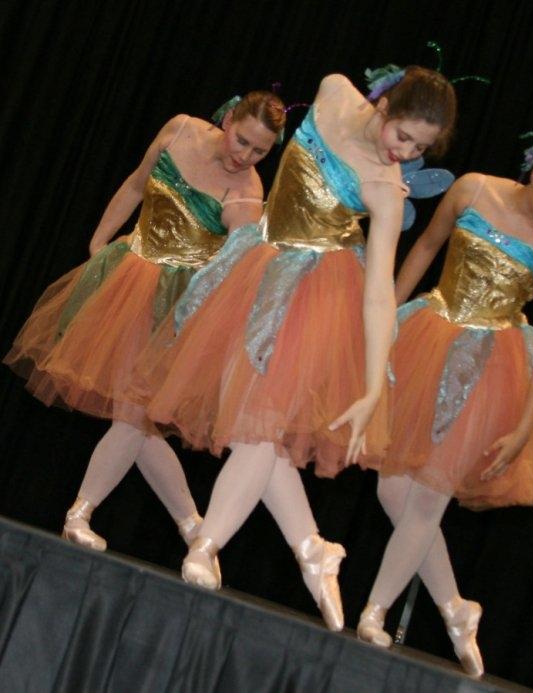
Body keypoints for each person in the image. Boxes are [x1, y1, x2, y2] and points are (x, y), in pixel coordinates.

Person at [130, 67, 456, 631]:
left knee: (261, 424)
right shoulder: (332, 92)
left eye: (420, 148)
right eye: (403, 135)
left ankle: (206, 544)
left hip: (319, 289)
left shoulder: (384, 186)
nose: (405, 151)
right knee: (257, 423)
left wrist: (374, 382)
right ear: (387, 106)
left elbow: (381, 291)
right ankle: (312, 547)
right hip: (262, 261)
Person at [358, 131, 533, 677]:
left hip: (487, 372)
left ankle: (374, 611)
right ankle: (456, 608)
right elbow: (426, 248)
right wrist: (385, 318)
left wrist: (525, 428)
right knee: (391, 487)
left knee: (429, 498)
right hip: (427, 338)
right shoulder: (474, 191)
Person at [4, 91, 286, 551]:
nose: (245, 155)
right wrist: (98, 245)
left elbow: (239, 261)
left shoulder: (247, 190)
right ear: (229, 118)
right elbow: (137, 185)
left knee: (134, 415)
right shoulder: (179, 129)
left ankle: (82, 513)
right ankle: (193, 527)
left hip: (177, 306)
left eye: (259, 151)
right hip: (128, 277)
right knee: (136, 417)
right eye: (242, 140)